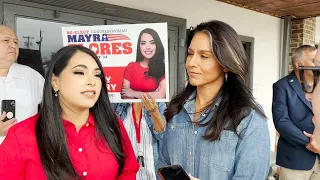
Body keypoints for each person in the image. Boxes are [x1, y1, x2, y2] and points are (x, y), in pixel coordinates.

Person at [0, 45, 139, 179]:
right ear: (55, 82)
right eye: (79, 72)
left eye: (97, 75)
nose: (92, 81)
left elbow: (128, 172)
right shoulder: (22, 135)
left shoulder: (112, 125)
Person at [158, 20, 270, 180]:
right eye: (190, 53)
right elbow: (163, 165)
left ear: (225, 64)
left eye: (204, 56)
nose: (191, 63)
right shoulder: (177, 110)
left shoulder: (248, 117)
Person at [272, 45, 320, 180]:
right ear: (299, 64)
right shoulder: (282, 86)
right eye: (314, 61)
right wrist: (311, 142)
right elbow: (281, 121)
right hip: (295, 160)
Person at [0, 25, 44, 144]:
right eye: (6, 40)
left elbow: (54, 103)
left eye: (15, 42)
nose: (13, 45)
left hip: (26, 150)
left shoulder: (31, 75)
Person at [113, 94, 166, 180]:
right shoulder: (119, 104)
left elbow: (161, 134)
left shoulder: (158, 102)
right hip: (125, 171)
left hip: (150, 171)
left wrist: (154, 111)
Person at [121, 28, 166, 99]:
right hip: (131, 108)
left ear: (157, 45)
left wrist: (133, 93)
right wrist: (153, 95)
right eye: (143, 43)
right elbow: (125, 94)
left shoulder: (162, 67)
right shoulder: (131, 66)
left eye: (152, 42)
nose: (148, 47)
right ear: (139, 46)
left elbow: (161, 95)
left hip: (155, 108)